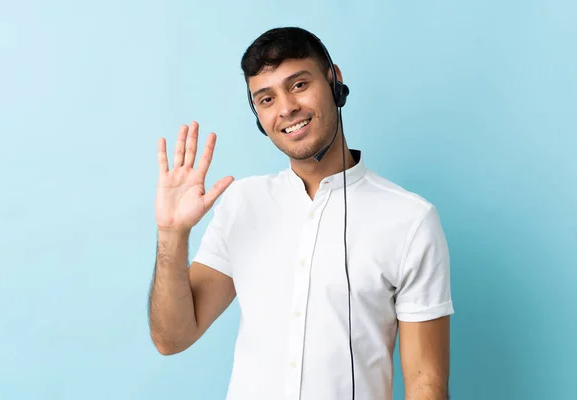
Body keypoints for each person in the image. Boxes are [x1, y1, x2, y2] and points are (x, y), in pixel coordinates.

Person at [148, 27, 454, 400]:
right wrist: (172, 235)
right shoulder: (241, 204)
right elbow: (172, 338)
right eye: (265, 98)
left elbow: (427, 384)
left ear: (334, 82)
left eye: (298, 85)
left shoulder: (410, 220)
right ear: (258, 116)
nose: (286, 108)